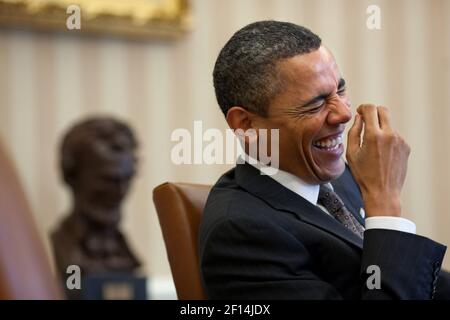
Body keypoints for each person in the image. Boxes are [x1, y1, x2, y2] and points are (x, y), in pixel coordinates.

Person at [199, 20, 450, 299]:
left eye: (340, 91)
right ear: (246, 124)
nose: (343, 114)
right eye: (316, 103)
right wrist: (385, 203)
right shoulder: (240, 233)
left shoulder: (340, 180)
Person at [51, 117, 141, 280]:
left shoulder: (123, 251)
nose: (120, 192)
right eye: (107, 180)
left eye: (126, 179)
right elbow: (74, 286)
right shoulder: (60, 249)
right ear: (72, 176)